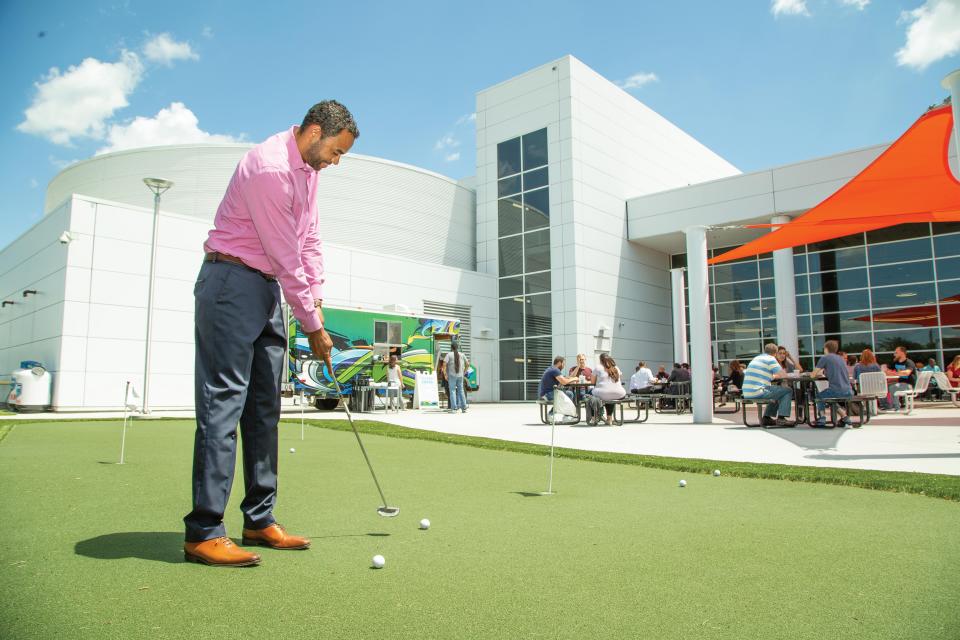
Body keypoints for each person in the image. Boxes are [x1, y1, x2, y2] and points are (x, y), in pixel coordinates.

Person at [184, 101, 359, 567]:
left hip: (266, 292)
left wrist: (316, 300)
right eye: (335, 152)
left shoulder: (309, 170)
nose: (334, 162)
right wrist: (313, 326)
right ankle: (204, 530)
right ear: (314, 131)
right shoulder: (270, 168)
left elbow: (310, 240)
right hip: (231, 283)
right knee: (225, 403)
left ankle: (259, 519)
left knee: (264, 407)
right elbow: (285, 255)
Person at [742, 343, 792, 427]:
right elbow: (784, 375)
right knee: (787, 390)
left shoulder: (757, 358)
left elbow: (764, 375)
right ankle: (781, 419)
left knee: (776, 391)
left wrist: (774, 376)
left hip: (747, 392)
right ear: (775, 353)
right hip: (758, 391)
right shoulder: (770, 359)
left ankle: (767, 418)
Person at [812, 340, 853, 428]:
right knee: (830, 398)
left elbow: (813, 375)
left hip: (836, 390)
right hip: (849, 390)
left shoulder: (825, 358)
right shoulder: (840, 359)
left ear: (826, 349)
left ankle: (822, 418)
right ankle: (845, 417)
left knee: (819, 396)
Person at [586, 353, 626, 425]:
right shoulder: (616, 367)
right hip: (619, 393)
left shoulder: (598, 367)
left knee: (590, 394)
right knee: (610, 395)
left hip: (603, 393)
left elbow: (592, 382)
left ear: (600, 360)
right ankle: (609, 419)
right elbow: (619, 379)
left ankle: (594, 418)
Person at [887, 346, 917, 411]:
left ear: (902, 353)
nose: (894, 354)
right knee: (886, 386)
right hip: (900, 383)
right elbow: (888, 371)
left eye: (896, 352)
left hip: (909, 385)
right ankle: (888, 405)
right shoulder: (896, 362)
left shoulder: (909, 362)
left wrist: (895, 373)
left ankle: (895, 407)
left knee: (892, 387)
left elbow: (907, 372)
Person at [445, 342, 469, 413]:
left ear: (451, 347)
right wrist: (464, 372)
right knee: (461, 391)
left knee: (452, 391)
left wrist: (445, 374)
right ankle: (464, 408)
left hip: (452, 375)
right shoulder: (462, 354)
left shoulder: (449, 355)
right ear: (457, 347)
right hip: (460, 376)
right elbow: (467, 364)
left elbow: (444, 364)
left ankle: (454, 408)